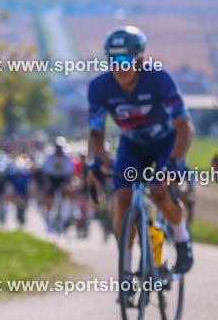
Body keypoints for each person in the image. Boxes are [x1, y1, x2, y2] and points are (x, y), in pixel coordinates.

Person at [87, 26, 194, 274]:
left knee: (160, 193)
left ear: (140, 60)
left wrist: (174, 162)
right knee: (122, 201)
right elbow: (96, 132)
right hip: (133, 146)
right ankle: (125, 271)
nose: (119, 67)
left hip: (166, 142)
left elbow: (185, 126)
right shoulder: (99, 87)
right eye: (113, 60)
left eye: (125, 60)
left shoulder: (159, 78)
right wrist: (98, 161)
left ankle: (181, 239)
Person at [40, 138, 74, 234]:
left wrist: (68, 183)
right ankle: (49, 216)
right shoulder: (50, 157)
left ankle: (64, 215)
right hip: (52, 178)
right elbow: (45, 171)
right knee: (49, 196)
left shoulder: (67, 158)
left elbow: (69, 172)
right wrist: (47, 182)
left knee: (66, 192)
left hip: (62, 178)